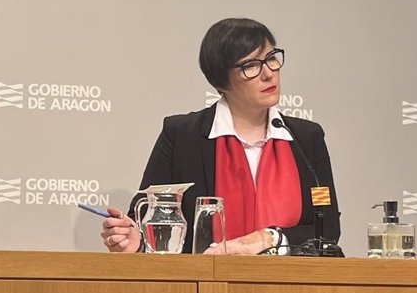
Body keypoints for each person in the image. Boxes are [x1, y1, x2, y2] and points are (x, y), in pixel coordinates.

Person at [101, 18, 340, 255]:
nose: (268, 74)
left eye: (271, 58)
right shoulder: (182, 137)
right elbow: (145, 217)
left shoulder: (306, 139)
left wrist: (269, 238)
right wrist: (135, 241)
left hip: (290, 279)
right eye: (250, 65)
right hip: (203, 278)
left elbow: (327, 228)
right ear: (220, 81)